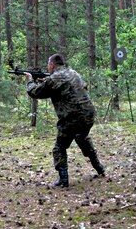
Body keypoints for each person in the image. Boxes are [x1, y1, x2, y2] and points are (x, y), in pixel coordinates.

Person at [24, 54, 105, 188]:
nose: (47, 67)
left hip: (72, 117)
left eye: (48, 65)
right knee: (81, 137)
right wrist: (45, 81)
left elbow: (35, 92)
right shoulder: (73, 73)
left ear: (52, 65)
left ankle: (63, 180)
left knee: (59, 148)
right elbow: (63, 87)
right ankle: (99, 167)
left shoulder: (54, 78)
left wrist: (29, 80)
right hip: (88, 114)